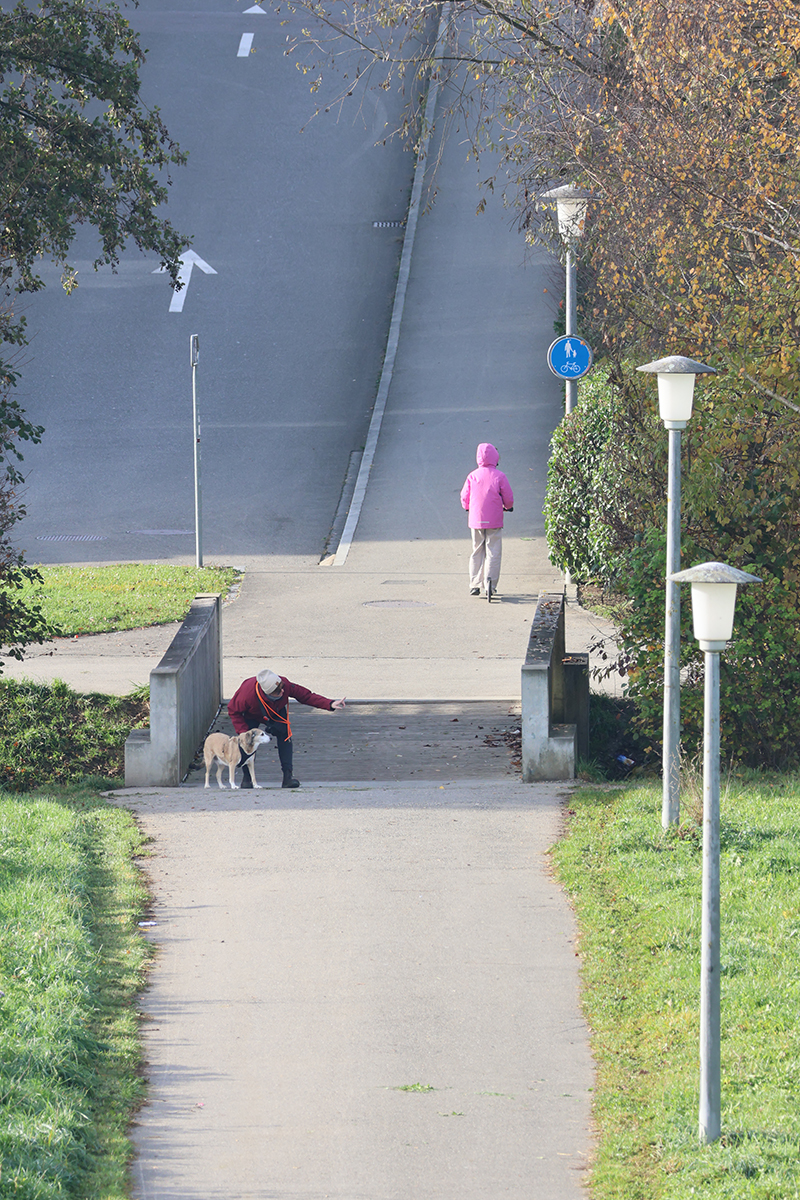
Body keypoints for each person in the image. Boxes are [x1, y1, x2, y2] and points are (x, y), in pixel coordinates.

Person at [228, 668, 346, 789]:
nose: (283, 691)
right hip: (251, 714)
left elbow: (306, 696)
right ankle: (247, 779)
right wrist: (242, 732)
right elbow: (233, 710)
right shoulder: (246, 693)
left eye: (282, 687)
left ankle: (287, 777)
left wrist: (329, 704)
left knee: (286, 736)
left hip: (276, 711)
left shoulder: (283, 683)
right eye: (279, 691)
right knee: (247, 742)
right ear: (268, 693)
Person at [460, 442, 514, 595]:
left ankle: (474, 583)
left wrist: (467, 507)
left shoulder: (472, 476)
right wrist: (508, 506)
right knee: (493, 551)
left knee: (477, 550)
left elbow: (465, 497)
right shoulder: (500, 476)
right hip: (494, 520)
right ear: (496, 458)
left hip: (476, 519)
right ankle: (490, 583)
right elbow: (508, 498)